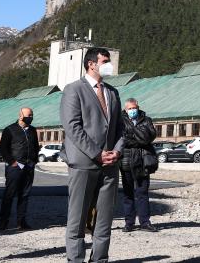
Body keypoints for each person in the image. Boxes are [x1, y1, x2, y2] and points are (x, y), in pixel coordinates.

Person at [60, 47, 125, 263]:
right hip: (84, 163)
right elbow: (72, 127)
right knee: (77, 217)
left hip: (110, 165)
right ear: (91, 64)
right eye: (105, 61)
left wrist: (116, 150)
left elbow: (120, 128)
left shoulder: (113, 93)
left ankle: (99, 259)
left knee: (105, 218)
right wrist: (97, 154)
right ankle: (75, 259)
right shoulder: (73, 90)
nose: (109, 65)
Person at [0, 107, 40, 230]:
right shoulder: (10, 129)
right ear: (20, 116)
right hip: (15, 167)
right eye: (29, 115)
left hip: (29, 166)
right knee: (9, 194)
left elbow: (36, 146)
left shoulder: (32, 130)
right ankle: (3, 222)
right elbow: (2, 148)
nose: (31, 117)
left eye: (32, 115)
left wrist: (34, 160)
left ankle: (21, 222)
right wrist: (12, 162)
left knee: (25, 195)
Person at [120, 98, 158, 232]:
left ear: (138, 107)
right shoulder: (120, 120)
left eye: (134, 108)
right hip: (126, 160)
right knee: (128, 193)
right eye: (129, 109)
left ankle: (145, 222)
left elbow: (149, 137)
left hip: (143, 161)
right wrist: (140, 137)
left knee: (142, 192)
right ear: (125, 109)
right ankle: (129, 223)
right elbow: (123, 139)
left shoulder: (147, 120)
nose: (132, 111)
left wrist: (133, 135)